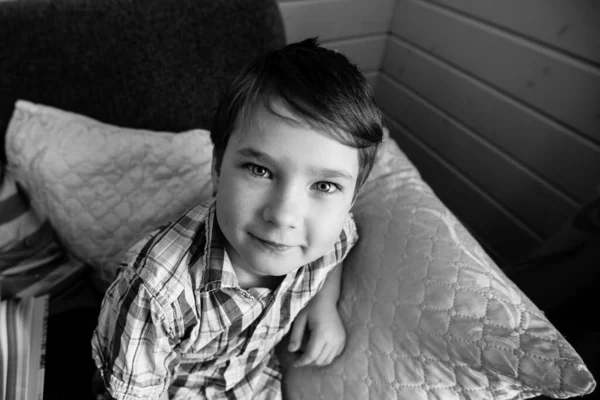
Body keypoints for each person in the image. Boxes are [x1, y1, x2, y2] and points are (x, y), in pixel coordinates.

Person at [91, 37, 385, 400]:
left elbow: (337, 249)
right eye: (260, 170)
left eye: (324, 185)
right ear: (217, 166)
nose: (283, 215)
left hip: (252, 384)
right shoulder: (156, 291)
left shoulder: (331, 233)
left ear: (351, 197)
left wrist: (323, 304)